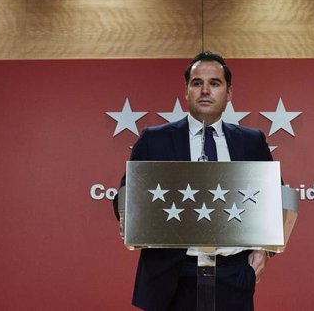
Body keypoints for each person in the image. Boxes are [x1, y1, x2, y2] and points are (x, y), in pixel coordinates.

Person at [114, 51, 275, 311]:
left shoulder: (252, 141)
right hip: (170, 276)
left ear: (229, 93)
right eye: (197, 83)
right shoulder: (154, 139)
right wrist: (128, 217)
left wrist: (264, 249)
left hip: (233, 274)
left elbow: (272, 199)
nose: (205, 90)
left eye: (214, 83)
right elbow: (125, 194)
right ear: (186, 91)